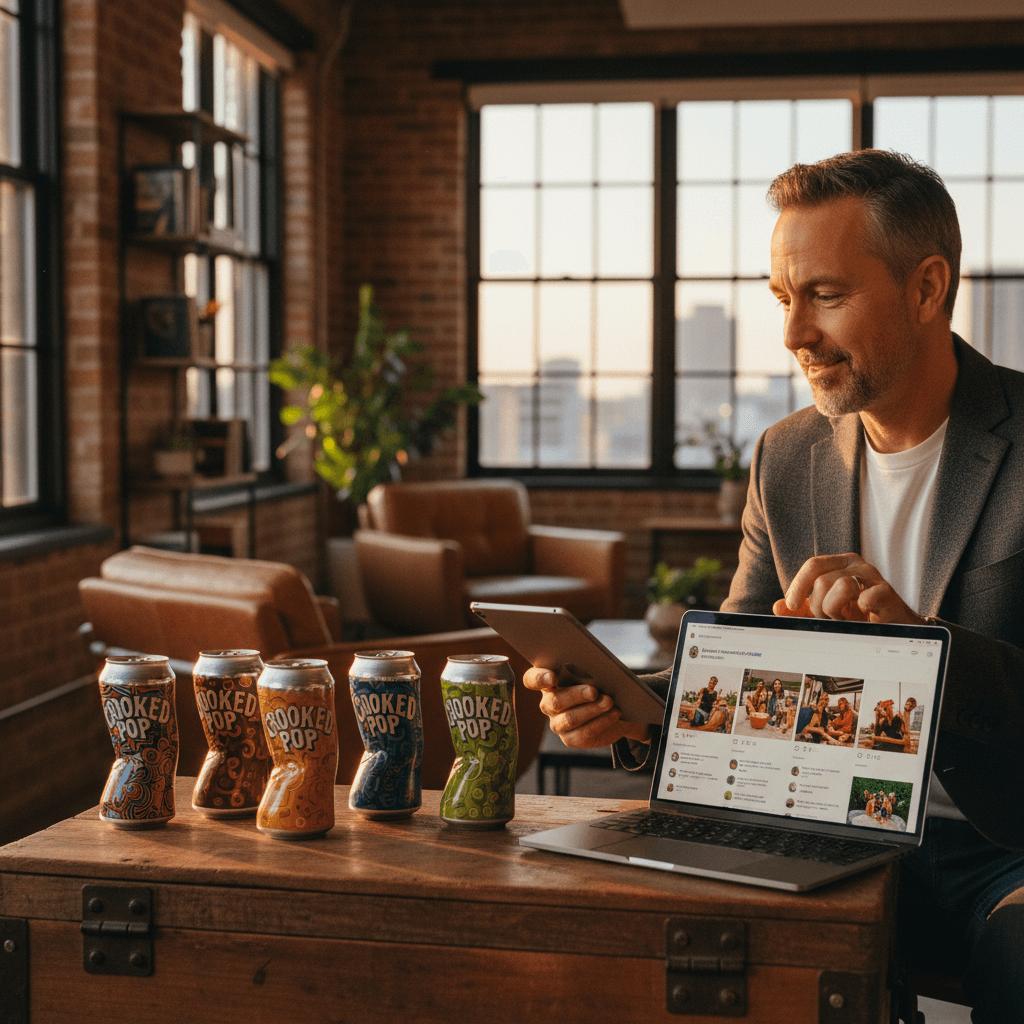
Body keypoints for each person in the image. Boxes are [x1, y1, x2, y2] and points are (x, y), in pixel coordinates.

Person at [523, 150, 1024, 1021]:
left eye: (824, 295)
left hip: (1003, 841)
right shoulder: (786, 457)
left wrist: (920, 649)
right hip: (825, 829)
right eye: (782, 299)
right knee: (599, 924)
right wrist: (627, 705)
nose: (794, 333)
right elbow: (740, 664)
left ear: (927, 288)